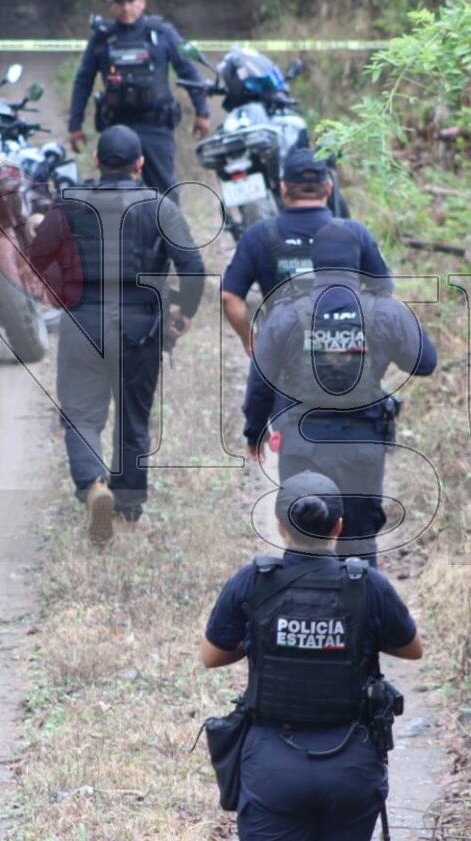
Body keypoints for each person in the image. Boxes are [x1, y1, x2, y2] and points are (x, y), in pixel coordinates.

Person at [201, 471, 424, 841]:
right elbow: (412, 649)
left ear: (281, 527)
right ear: (339, 526)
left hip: (272, 764)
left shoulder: (253, 581)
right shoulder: (368, 585)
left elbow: (212, 655)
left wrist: (268, 636)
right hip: (351, 763)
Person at [25, 125, 205, 542]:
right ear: (140, 165)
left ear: (96, 162)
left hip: (82, 322)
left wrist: (60, 289)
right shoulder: (159, 208)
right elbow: (192, 267)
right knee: (133, 417)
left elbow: (35, 259)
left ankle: (93, 485)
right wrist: (185, 312)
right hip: (140, 326)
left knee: (81, 415)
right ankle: (128, 508)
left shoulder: (69, 204)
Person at [242, 222, 437, 565]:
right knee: (359, 547)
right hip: (362, 449)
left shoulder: (287, 312)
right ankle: (362, 613)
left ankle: (308, 613)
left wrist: (254, 430)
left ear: (313, 262)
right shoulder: (383, 311)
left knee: (304, 544)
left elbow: (261, 380)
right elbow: (425, 362)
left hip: (303, 447)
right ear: (361, 261)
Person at [220, 147, 395, 354]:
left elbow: (229, 297)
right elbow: (384, 290)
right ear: (329, 189)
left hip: (284, 352)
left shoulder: (257, 235)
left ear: (284, 189)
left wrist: (249, 340)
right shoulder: (356, 232)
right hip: (343, 351)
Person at [67, 0, 211, 199]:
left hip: (156, 126)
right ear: (111, 6)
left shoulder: (162, 33)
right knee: (115, 193)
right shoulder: (102, 38)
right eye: (119, 2)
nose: (126, 8)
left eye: (130, 1)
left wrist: (202, 112)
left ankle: (168, 234)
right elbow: (83, 80)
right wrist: (75, 125)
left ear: (142, 2)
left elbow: (188, 70)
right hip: (117, 126)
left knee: (164, 192)